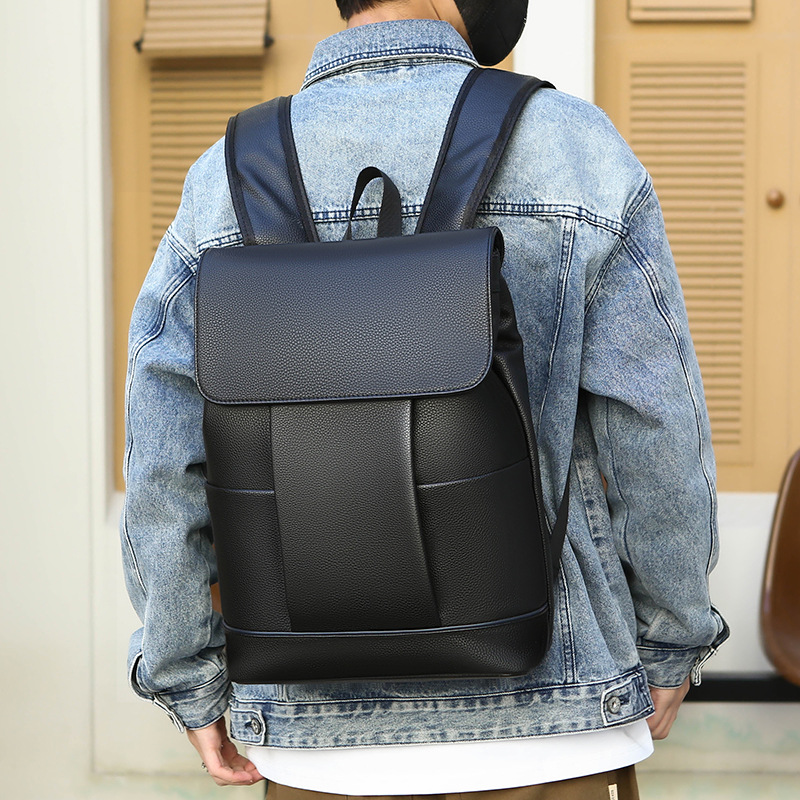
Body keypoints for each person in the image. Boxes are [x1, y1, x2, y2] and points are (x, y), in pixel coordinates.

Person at [121, 1, 729, 797]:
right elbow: (656, 427)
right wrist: (672, 637)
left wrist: (185, 672)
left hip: (315, 736)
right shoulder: (572, 148)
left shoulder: (224, 178)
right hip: (551, 723)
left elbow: (164, 456)